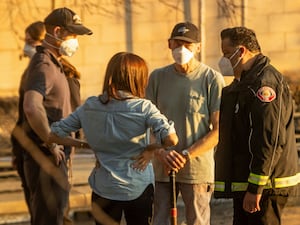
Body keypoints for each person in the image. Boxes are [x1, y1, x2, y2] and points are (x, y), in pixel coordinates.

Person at [47, 52, 179, 225]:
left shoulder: (91, 105)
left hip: (103, 187)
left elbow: (53, 134)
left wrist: (85, 145)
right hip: (137, 186)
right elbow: (171, 139)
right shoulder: (143, 107)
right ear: (137, 78)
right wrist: (150, 149)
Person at [215, 26, 299, 225]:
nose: (224, 60)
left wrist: (255, 188)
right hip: (249, 184)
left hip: (265, 187)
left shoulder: (265, 84)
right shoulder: (245, 83)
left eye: (227, 53)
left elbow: (268, 139)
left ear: (241, 51)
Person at [146, 22, 225, 225]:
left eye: (188, 45)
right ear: (169, 44)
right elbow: (147, 126)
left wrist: (186, 154)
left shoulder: (211, 79)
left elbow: (218, 130)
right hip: (162, 169)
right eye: (178, 43)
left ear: (198, 47)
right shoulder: (157, 78)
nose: (182, 49)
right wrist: (161, 153)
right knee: (160, 221)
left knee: (197, 221)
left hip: (196, 171)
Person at [21, 7, 92, 225]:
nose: (75, 41)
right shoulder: (44, 65)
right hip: (47, 159)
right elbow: (32, 106)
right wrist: (50, 139)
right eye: (72, 35)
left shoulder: (54, 64)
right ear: (57, 32)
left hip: (56, 158)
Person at [11, 21, 45, 223]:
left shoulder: (46, 71)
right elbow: (21, 114)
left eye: (31, 42)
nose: (27, 47)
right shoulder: (29, 71)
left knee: (46, 210)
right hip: (25, 147)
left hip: (40, 148)